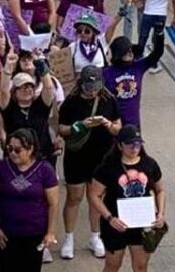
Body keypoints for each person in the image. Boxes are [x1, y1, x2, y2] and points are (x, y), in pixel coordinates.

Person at [57, 65, 122, 260]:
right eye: (88, 86)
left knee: (96, 198)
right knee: (74, 197)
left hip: (101, 157)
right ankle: (69, 238)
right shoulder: (71, 102)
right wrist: (80, 126)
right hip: (77, 156)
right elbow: (62, 129)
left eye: (95, 86)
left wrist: (109, 124)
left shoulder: (109, 99)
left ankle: (95, 236)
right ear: (81, 84)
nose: (92, 90)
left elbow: (118, 126)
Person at [88, 125, 167, 272]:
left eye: (138, 144)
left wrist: (161, 213)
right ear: (120, 145)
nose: (134, 148)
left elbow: (160, 189)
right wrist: (109, 217)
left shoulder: (150, 164)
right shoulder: (107, 168)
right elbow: (94, 195)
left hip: (142, 223)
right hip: (116, 223)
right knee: (112, 265)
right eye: (130, 144)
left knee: (141, 266)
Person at [0, 128, 61, 272]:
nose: (12, 153)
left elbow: (53, 203)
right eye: (10, 149)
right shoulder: (0, 167)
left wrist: (50, 232)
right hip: (6, 233)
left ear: (31, 149)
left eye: (18, 150)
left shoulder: (45, 170)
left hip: (34, 233)